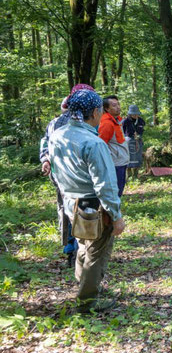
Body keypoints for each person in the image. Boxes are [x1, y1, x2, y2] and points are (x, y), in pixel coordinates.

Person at [48, 89, 126, 314]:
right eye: (100, 110)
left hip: (71, 201)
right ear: (94, 111)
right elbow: (105, 185)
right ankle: (87, 301)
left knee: (83, 246)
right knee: (96, 252)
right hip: (94, 204)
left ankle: (84, 287)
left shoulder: (57, 136)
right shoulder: (93, 143)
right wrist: (116, 215)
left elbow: (55, 172)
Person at [40, 84, 94, 266]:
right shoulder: (62, 123)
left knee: (67, 208)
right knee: (74, 209)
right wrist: (46, 159)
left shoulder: (60, 122)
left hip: (64, 176)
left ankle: (74, 249)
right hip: (71, 176)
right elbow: (47, 143)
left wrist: (45, 159)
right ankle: (75, 249)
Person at [98, 95, 129, 197]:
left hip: (121, 161)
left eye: (118, 104)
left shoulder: (117, 121)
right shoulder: (107, 123)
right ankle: (110, 212)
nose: (118, 107)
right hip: (115, 164)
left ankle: (113, 211)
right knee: (115, 193)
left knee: (119, 190)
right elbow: (101, 144)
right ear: (106, 108)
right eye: (114, 105)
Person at [122, 105, 146, 179]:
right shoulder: (125, 121)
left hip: (138, 141)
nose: (135, 115)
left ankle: (135, 175)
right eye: (134, 114)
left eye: (137, 114)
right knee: (129, 158)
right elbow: (122, 131)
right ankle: (128, 175)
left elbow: (142, 129)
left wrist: (139, 134)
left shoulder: (141, 121)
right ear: (130, 114)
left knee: (137, 157)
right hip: (128, 141)